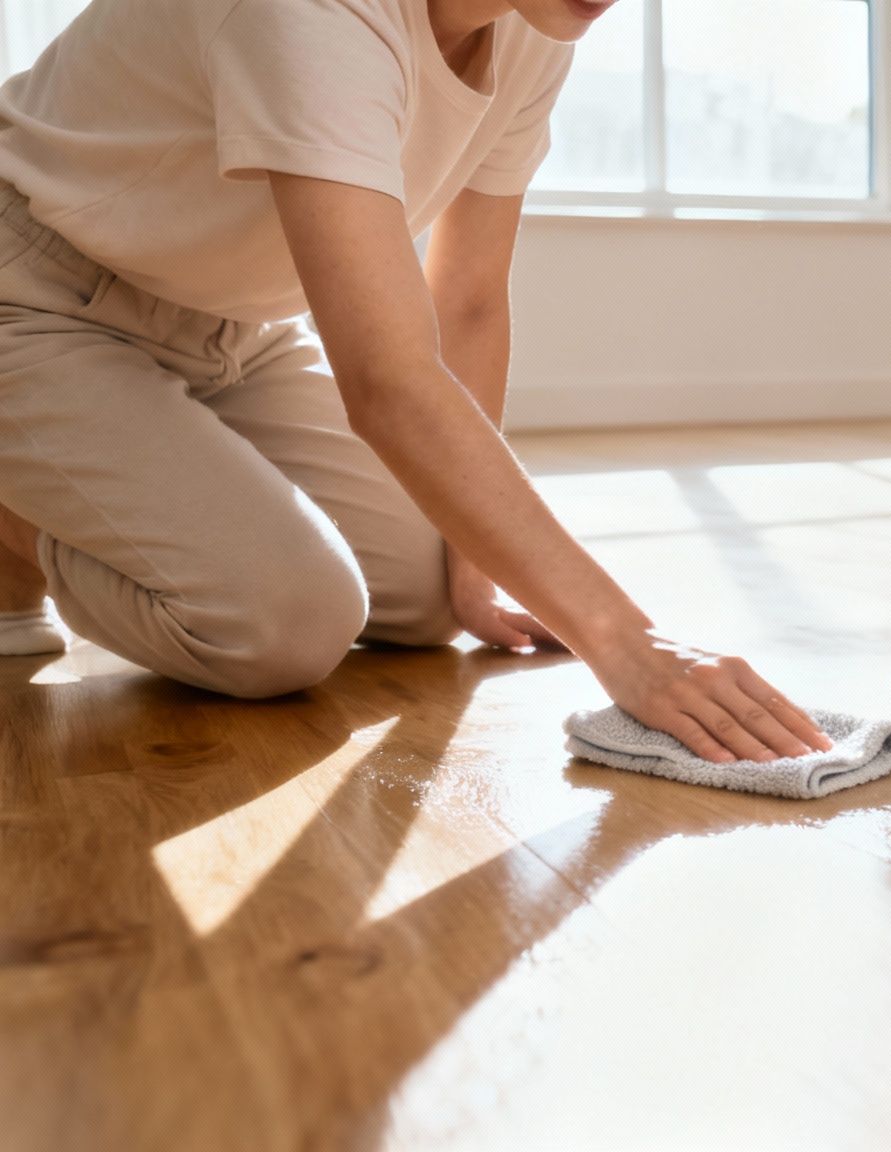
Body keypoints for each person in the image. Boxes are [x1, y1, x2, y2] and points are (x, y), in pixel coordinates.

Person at [0, 0, 830, 764]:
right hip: (31, 294)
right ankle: (14, 524)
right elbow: (389, 382)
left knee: (436, 593)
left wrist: (474, 559)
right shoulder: (313, 12)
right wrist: (625, 642)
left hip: (232, 332)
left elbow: (467, 301)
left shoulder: (533, 25)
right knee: (284, 626)